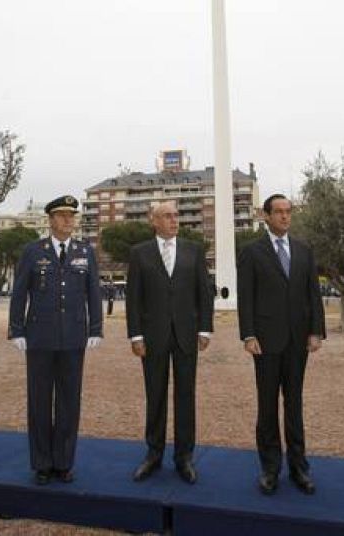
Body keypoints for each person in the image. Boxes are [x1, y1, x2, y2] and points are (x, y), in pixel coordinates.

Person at [8, 195, 103, 485]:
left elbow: (93, 293)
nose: (68, 221)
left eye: (71, 216)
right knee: (39, 402)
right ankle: (41, 464)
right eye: (62, 216)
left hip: (73, 338)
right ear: (50, 220)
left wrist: (96, 328)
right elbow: (20, 292)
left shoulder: (85, 252)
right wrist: (17, 329)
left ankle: (63, 463)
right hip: (39, 338)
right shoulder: (33, 251)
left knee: (68, 402)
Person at [237, 194, 325, 496]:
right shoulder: (252, 252)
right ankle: (270, 468)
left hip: (298, 341)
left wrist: (316, 332)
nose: (285, 217)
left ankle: (300, 467)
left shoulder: (304, 250)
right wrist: (248, 334)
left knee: (295, 404)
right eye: (279, 212)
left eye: (289, 212)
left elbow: (313, 294)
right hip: (266, 341)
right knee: (267, 405)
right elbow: (245, 296)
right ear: (266, 216)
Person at [126, 201, 213, 484]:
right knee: (156, 396)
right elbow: (133, 299)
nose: (174, 220)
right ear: (154, 221)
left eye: (176, 215)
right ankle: (153, 454)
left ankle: (184, 457)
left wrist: (205, 330)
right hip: (152, 338)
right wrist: (135, 335)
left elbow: (204, 293)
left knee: (186, 396)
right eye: (167, 216)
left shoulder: (193, 251)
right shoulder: (139, 254)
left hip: (187, 335)